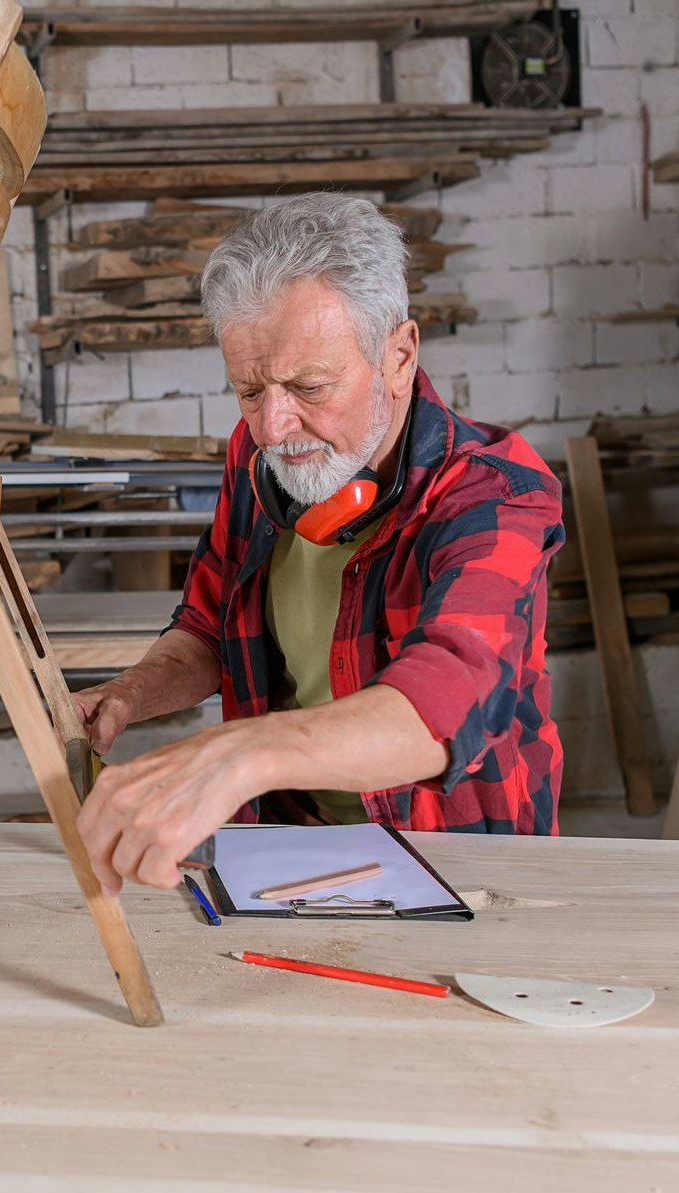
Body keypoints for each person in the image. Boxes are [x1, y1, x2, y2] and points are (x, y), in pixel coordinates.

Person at [74, 194, 566, 896]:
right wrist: (127, 696)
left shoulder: (494, 497)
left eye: (309, 385)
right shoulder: (259, 456)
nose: (274, 425)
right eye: (248, 389)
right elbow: (210, 627)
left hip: (456, 863)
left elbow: (438, 708)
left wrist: (234, 755)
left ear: (397, 356)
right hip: (280, 847)